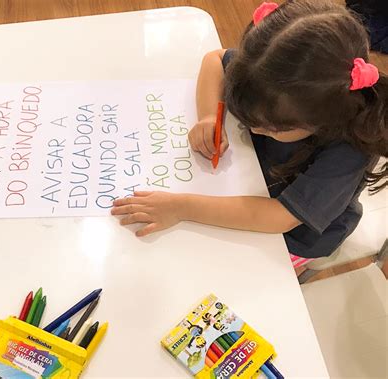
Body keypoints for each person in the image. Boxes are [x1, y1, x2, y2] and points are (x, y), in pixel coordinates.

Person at [111, 0, 387, 271]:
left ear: (321, 120)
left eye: (271, 127)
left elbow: (281, 218)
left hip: (292, 237)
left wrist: (181, 207)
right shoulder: (268, 73)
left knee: (258, 280)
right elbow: (215, 59)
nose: (255, 130)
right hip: (247, 184)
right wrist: (209, 115)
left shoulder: (350, 150)